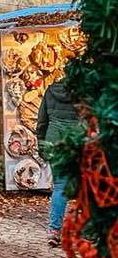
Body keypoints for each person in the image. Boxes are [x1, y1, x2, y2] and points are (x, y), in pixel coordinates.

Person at [35, 76, 82, 247]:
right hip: (78, 142)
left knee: (60, 186)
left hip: (55, 142)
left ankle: (55, 231)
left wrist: (42, 145)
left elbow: (42, 121)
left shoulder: (52, 90)